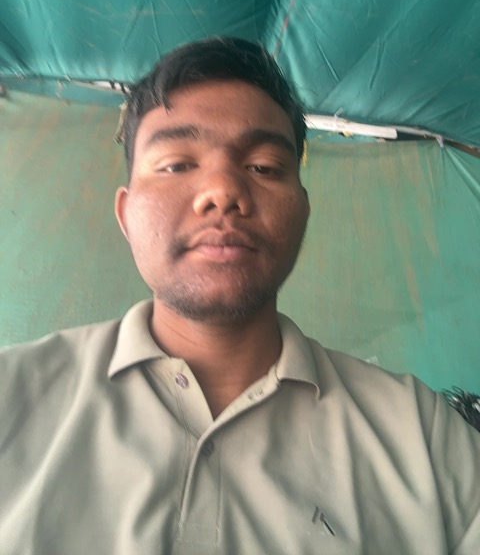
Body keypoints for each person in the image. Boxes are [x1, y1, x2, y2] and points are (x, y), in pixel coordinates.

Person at [1, 37, 479, 555]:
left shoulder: (424, 436)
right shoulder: (13, 398)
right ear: (126, 214)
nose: (223, 192)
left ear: (302, 211)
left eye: (264, 166)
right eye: (177, 164)